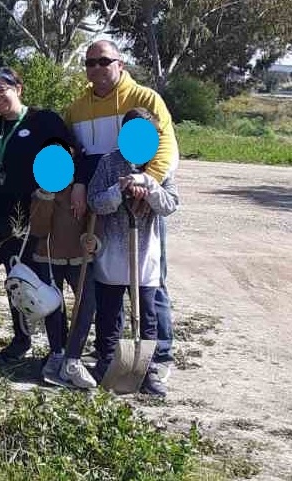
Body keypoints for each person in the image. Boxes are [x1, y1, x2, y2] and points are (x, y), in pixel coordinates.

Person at [65, 40, 178, 374]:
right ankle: (108, 356)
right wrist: (81, 185)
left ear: (120, 63)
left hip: (141, 207)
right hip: (103, 200)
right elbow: (75, 155)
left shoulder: (145, 99)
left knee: (150, 283)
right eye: (90, 63)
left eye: (104, 61)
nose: (97, 68)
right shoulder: (76, 109)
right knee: (107, 282)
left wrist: (144, 188)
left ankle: (159, 357)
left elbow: (166, 147)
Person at [0, 67, 77, 361]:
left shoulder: (44, 120)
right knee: (17, 282)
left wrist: (48, 191)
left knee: (45, 283)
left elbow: (66, 156)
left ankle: (59, 347)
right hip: (4, 218)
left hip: (39, 215)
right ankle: (22, 340)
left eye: (2, 90)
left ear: (18, 88)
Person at [88, 108, 179, 396]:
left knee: (147, 319)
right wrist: (119, 190)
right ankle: (106, 363)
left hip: (145, 259)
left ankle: (148, 370)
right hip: (112, 257)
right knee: (109, 315)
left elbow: (170, 205)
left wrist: (148, 185)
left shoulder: (158, 167)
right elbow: (95, 201)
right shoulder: (108, 163)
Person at [28, 140, 94, 386]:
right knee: (54, 306)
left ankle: (73, 356)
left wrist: (93, 239)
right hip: (48, 255)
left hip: (80, 257)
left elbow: (94, 218)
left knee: (87, 303)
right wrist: (45, 197)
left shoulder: (82, 186)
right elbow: (38, 228)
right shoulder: (40, 191)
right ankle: (56, 351)